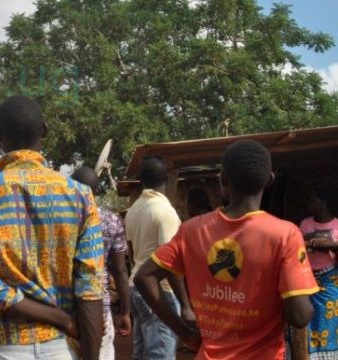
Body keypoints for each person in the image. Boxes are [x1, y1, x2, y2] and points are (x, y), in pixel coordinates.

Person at [135, 140, 318, 359]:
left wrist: (185, 334)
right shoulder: (285, 234)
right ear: (270, 180)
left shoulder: (192, 230)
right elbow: (300, 316)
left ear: (222, 179)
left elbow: (144, 277)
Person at [0, 95, 105, 360]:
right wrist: (65, 322)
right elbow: (90, 286)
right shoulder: (80, 196)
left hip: (7, 345)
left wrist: (61, 318)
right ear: (44, 131)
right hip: (61, 348)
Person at [124, 155, 194, 360]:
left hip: (136, 287)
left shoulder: (133, 210)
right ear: (167, 179)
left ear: (141, 180)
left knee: (141, 352)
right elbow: (169, 262)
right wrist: (185, 305)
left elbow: (132, 253)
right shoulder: (165, 212)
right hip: (160, 292)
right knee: (159, 354)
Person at [72, 166, 131, 360]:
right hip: (99, 310)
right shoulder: (111, 220)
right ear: (96, 191)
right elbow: (120, 270)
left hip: (63, 312)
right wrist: (125, 311)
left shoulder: (59, 220)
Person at [297, 179, 338, 359]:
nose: (309, 203)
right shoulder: (305, 224)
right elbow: (296, 248)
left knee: (327, 321)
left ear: (324, 203)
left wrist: (328, 244)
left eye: (313, 199)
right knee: (308, 320)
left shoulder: (337, 225)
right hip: (307, 281)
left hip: (329, 283)